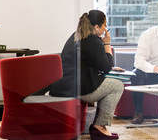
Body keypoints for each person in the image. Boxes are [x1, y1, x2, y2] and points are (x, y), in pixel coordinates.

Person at [49, 10, 124, 140]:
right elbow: (106, 67)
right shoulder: (93, 40)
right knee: (117, 85)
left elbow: (92, 62)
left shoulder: (77, 36)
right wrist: (107, 44)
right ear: (96, 27)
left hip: (64, 85)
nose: (105, 29)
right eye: (104, 25)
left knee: (109, 82)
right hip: (79, 88)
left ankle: (100, 126)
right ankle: (99, 127)